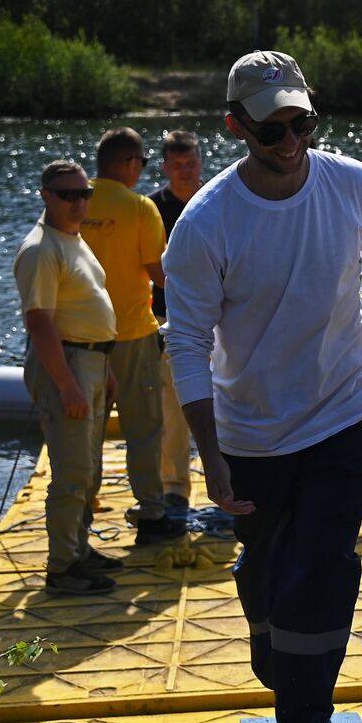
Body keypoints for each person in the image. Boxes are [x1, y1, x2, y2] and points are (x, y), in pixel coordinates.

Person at [163, 51, 362, 723]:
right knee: (269, 566)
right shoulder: (206, 222)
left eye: (301, 122)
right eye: (270, 129)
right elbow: (185, 343)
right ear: (234, 125)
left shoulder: (352, 185)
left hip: (347, 411)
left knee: (324, 564)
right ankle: (273, 637)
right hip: (251, 430)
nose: (289, 141)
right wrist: (209, 457)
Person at [13, 160, 122, 594]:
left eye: (84, 194)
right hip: (68, 365)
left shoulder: (73, 239)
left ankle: (79, 549)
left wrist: (107, 367)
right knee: (72, 472)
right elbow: (41, 324)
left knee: (90, 469)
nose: (78, 202)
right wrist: (67, 385)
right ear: (45, 195)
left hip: (92, 361)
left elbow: (89, 309)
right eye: (67, 194)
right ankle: (62, 568)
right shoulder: (41, 249)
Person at [81, 127, 185, 544]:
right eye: (141, 163)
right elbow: (160, 275)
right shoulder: (141, 208)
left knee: (85, 431)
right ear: (129, 164)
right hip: (131, 333)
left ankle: (82, 512)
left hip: (81, 338)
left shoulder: (71, 200)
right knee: (143, 428)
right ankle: (152, 511)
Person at [148, 130, 205, 513]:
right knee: (173, 408)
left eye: (191, 164)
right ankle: (174, 490)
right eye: (177, 165)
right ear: (166, 167)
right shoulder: (150, 208)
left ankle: (235, 481)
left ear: (200, 163)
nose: (185, 172)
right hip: (169, 317)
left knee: (229, 402)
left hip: (218, 317)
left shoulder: (215, 199)